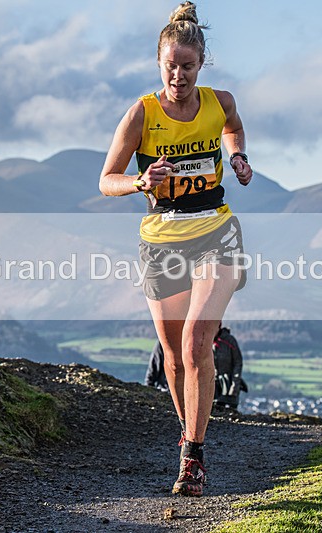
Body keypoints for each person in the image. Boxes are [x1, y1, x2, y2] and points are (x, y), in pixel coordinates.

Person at [99, 1, 252, 497]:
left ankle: (193, 457)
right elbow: (106, 180)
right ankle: (190, 432)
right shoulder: (141, 114)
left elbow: (232, 127)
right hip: (161, 241)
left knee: (195, 343)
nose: (178, 76)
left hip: (216, 233)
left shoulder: (219, 102)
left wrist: (238, 157)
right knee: (172, 357)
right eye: (171, 66)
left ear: (201, 64)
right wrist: (140, 181)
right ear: (158, 62)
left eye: (188, 66)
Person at [212, 323, 247, 410]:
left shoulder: (229, 341)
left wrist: (235, 384)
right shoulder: (206, 341)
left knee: (230, 409)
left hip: (229, 383)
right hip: (214, 385)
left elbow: (238, 363)